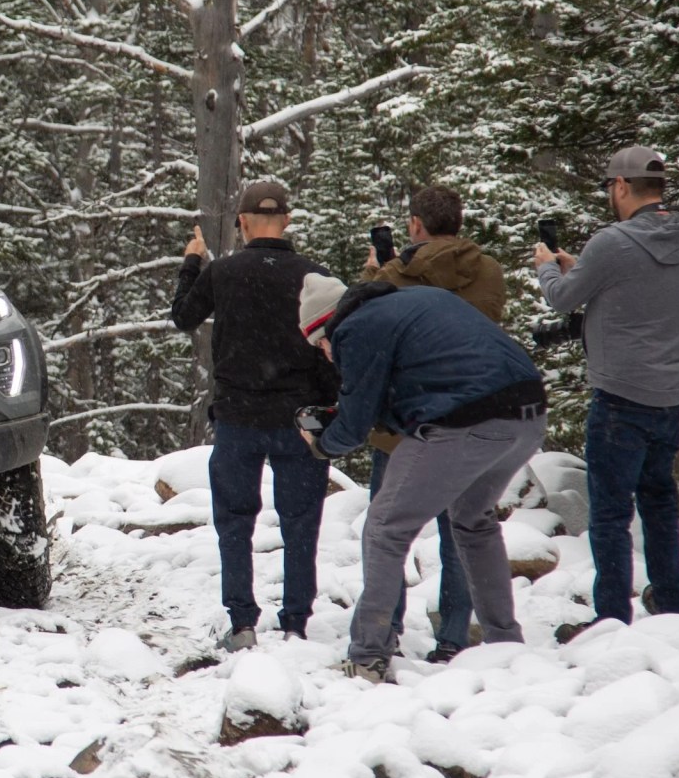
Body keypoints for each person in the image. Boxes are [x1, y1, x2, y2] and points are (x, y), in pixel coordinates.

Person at [295, 274, 547, 683]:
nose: (325, 354)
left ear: (325, 328)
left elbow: (355, 425)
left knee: (384, 526)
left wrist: (322, 443)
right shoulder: (413, 299)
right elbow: (426, 380)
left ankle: (367, 656)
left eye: (318, 345)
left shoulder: (354, 329)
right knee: (472, 519)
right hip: (528, 412)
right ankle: (504, 641)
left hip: (466, 420)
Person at [532, 145, 679, 635]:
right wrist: (582, 263)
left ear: (623, 187)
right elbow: (643, 291)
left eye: (610, 186)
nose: (611, 194)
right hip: (672, 393)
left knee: (610, 513)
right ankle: (672, 603)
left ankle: (611, 617)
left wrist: (549, 264)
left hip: (620, 396)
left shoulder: (612, 242)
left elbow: (562, 299)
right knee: (659, 500)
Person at [171, 181, 337, 650]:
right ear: (287, 220)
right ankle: (296, 623)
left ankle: (242, 622)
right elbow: (331, 352)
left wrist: (192, 264)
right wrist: (329, 411)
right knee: (301, 523)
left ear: (241, 222)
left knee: (235, 522)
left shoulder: (223, 273)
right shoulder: (313, 276)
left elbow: (182, 317)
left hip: (239, 417)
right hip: (299, 419)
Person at [361, 184, 508, 663]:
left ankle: (386, 627)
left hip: (404, 423)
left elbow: (376, 335)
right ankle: (454, 634)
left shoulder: (395, 274)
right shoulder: (488, 272)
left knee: (387, 532)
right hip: (470, 415)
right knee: (460, 533)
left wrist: (372, 278)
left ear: (416, 226)